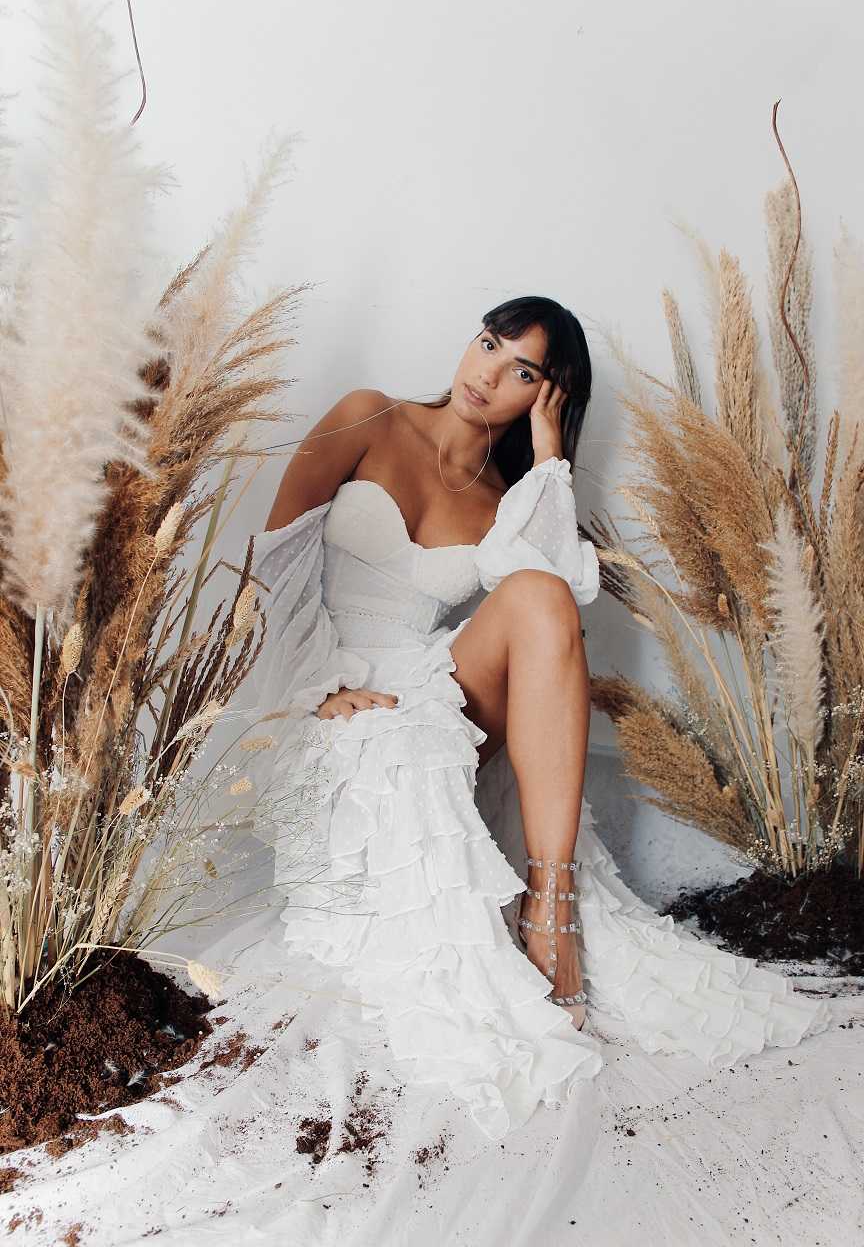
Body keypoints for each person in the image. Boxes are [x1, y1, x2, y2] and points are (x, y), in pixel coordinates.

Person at [247, 295, 831, 1142]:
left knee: (538, 592)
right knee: (514, 609)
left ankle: (549, 904)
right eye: (488, 343)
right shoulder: (367, 417)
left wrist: (550, 454)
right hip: (330, 684)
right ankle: (512, 899)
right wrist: (315, 688)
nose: (487, 374)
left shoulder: (506, 500)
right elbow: (270, 569)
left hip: (428, 683)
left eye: (521, 371)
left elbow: (557, 604)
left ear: (546, 395)